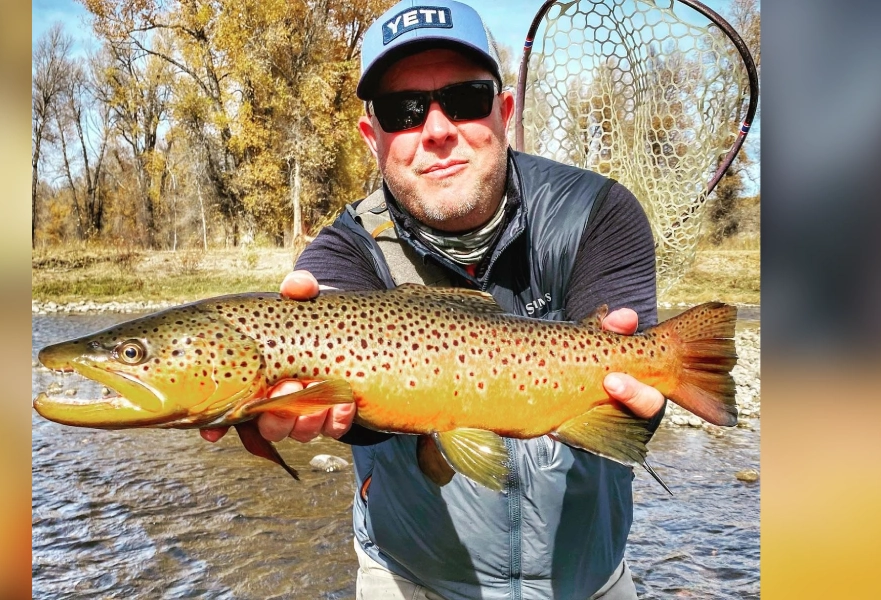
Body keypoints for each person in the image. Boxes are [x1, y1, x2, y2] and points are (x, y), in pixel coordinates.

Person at [200, 1, 680, 597]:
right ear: (371, 137)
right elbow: (351, 406)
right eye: (403, 111)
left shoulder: (598, 211)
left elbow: (633, 401)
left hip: (586, 582)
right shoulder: (342, 254)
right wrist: (328, 407)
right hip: (410, 578)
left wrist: (647, 405)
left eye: (466, 100)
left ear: (504, 112)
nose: (435, 130)